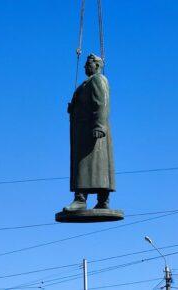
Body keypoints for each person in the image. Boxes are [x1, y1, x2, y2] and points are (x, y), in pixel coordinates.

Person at [64, 53, 115, 211]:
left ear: (97, 65)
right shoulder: (86, 83)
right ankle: (101, 201)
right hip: (84, 132)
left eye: (88, 64)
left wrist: (99, 126)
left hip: (92, 132)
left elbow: (102, 103)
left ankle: (82, 199)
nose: (85, 67)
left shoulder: (98, 79)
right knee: (92, 166)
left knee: (89, 166)